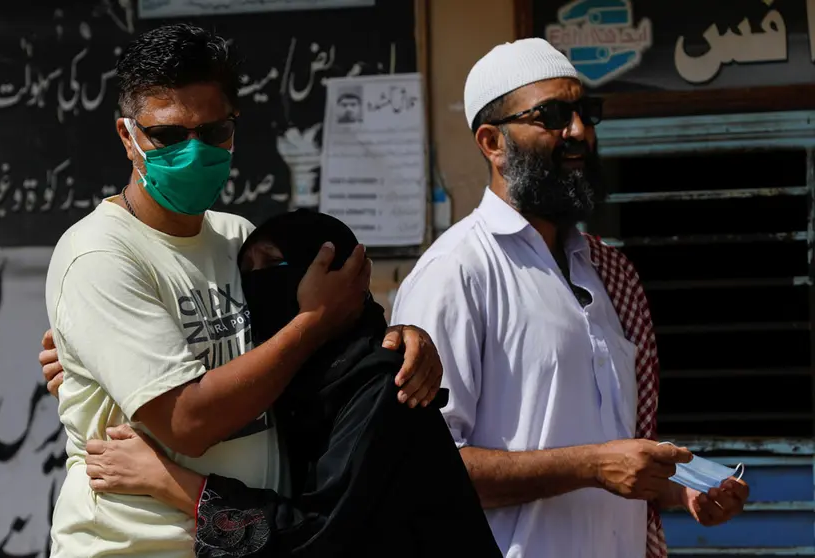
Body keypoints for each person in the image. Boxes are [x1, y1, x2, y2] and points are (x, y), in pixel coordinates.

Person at [39, 24, 443, 558]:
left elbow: (327, 350)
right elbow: (188, 422)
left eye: (213, 132)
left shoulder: (243, 242)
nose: (194, 150)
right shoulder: (101, 256)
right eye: (168, 135)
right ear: (127, 136)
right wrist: (311, 323)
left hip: (249, 544)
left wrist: (401, 339)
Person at [389, 38, 750, 558]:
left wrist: (680, 490)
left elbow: (608, 448)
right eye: (554, 116)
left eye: (586, 112)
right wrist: (593, 464)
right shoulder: (456, 273)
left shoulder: (602, 270)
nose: (579, 131)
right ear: (493, 142)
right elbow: (422, 471)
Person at [82, 209, 503, 557]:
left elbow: (317, 537)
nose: (257, 282)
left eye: (273, 265)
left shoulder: (384, 387)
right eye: (246, 271)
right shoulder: (295, 384)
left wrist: (171, 484)